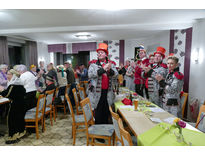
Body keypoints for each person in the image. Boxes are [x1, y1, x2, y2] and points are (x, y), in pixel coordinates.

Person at [88, 43, 118, 127]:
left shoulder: (111, 64)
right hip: (96, 93)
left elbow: (116, 74)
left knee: (106, 111)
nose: (99, 54)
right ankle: (98, 132)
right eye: (98, 53)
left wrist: (109, 70)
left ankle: (105, 129)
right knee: (98, 112)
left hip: (108, 92)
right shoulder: (93, 65)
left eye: (102, 52)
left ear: (106, 54)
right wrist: (103, 69)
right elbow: (90, 75)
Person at [0, 69, 26, 144]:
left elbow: (7, 94)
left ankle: (13, 136)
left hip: (16, 105)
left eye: (8, 74)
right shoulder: (19, 83)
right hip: (21, 104)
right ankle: (20, 132)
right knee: (19, 119)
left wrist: (2, 90)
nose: (7, 76)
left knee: (12, 120)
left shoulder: (13, 85)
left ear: (13, 75)